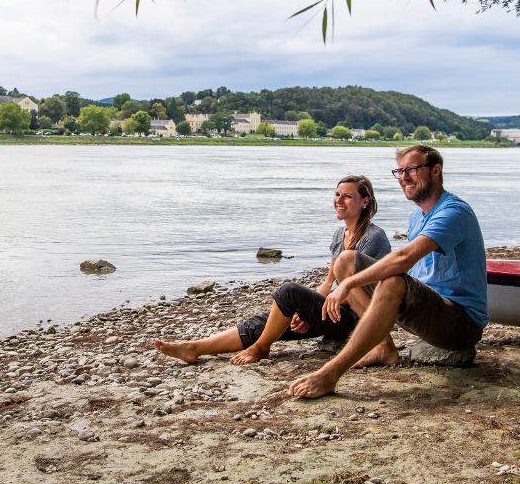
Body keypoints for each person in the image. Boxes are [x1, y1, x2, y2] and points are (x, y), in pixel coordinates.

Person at [288, 144, 487, 399]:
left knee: (392, 281)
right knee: (345, 262)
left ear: (435, 170)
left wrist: (348, 286)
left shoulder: (453, 212)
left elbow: (403, 258)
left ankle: (330, 373)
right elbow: (415, 272)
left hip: (461, 324)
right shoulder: (418, 217)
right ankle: (383, 348)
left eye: (412, 170)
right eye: (400, 171)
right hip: (428, 313)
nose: (404, 177)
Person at [153, 175, 391, 365]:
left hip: (358, 319)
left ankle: (261, 348)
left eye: (347, 196)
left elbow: (363, 291)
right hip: (334, 311)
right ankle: (195, 348)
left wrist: (314, 311)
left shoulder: (374, 237)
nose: (339, 200)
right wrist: (308, 310)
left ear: (365, 201)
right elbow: (328, 283)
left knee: (288, 292)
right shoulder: (340, 235)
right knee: (267, 322)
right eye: (337, 194)